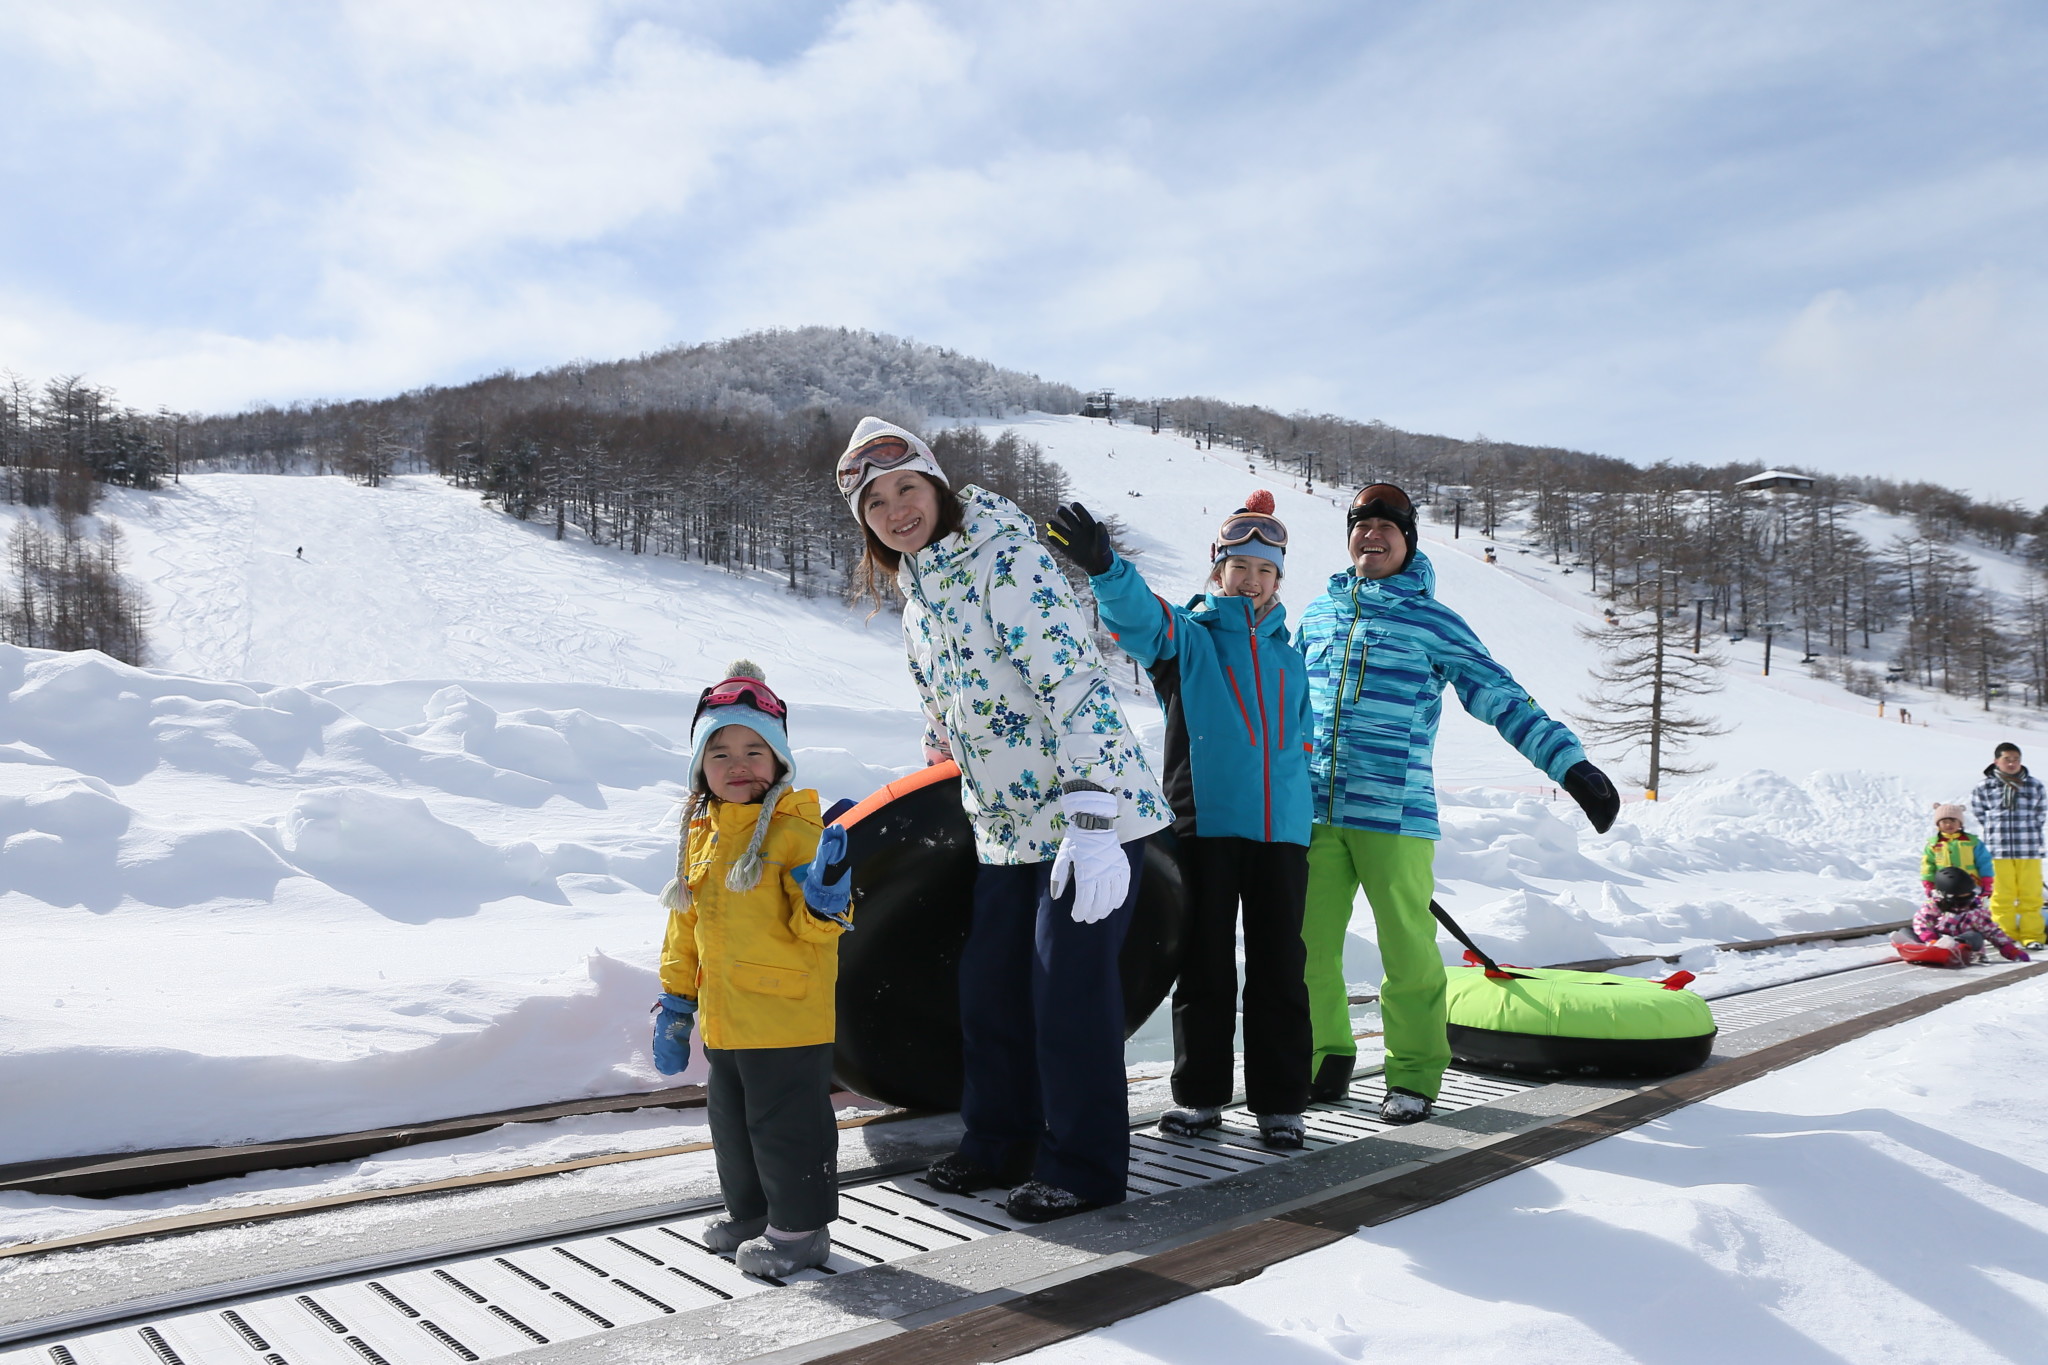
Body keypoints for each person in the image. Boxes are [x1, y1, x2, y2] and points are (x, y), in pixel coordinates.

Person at [837, 416, 1169, 1223]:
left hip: (1086, 815)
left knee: (1067, 996)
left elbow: (1075, 685)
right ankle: (998, 1141)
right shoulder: (920, 596)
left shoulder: (1006, 558)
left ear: (936, 485)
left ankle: (1085, 1164)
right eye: (875, 503)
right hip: (1002, 827)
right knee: (988, 991)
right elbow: (943, 715)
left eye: (906, 488)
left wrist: (1092, 821)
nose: (894, 509)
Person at [1298, 483, 1620, 1123]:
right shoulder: (1315, 617)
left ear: (1408, 541)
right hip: (1311, 812)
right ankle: (1322, 1063)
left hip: (1394, 815)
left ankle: (1413, 1077)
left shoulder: (1434, 622)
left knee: (1408, 953)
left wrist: (1570, 763)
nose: (1373, 535)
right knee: (1305, 951)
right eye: (1362, 525)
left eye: (1388, 527)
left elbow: (1498, 693)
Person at [1047, 490, 1312, 1150]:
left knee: (1282, 966)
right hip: (1207, 825)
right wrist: (1106, 567)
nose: (1251, 581)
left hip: (1283, 835)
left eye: (1265, 570)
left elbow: (1303, 741)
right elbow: (1139, 620)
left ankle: (1281, 1102)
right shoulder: (1188, 642)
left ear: (1278, 578)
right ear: (1217, 571)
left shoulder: (1291, 656)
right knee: (1206, 964)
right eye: (1239, 567)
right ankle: (1200, 1096)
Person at [649, 662, 853, 1277]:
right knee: (735, 1128)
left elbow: (819, 930)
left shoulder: (798, 831)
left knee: (786, 1129)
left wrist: (826, 898)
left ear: (780, 760)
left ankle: (799, 1232)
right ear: (699, 768)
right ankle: (752, 1214)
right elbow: (684, 925)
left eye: (753, 750)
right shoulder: (703, 835)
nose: (738, 764)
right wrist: (678, 1002)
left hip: (786, 1018)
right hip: (726, 1020)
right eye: (720, 753)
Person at [1971, 743, 2046, 948]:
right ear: (1997, 761)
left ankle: (2033, 936)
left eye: (2016, 759)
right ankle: (2005, 936)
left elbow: (2040, 814)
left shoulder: (2034, 786)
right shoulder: (1984, 787)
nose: (2012, 763)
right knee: (2002, 896)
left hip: (2028, 849)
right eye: (2007, 759)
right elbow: (1980, 814)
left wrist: (2030, 831)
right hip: (1998, 850)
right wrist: (1996, 830)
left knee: (2031, 895)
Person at [1907, 866, 2029, 963]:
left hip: (1962, 947)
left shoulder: (1975, 910)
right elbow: (1921, 921)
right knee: (1906, 932)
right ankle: (1918, 950)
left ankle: (1957, 950)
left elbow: (1991, 931)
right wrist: (1931, 939)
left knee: (1975, 936)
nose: (1964, 902)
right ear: (1945, 895)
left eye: (1967, 897)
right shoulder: (1934, 906)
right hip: (1934, 943)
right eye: (1960, 898)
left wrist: (2009, 949)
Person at [1920, 801, 1993, 903]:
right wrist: (1928, 883)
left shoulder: (1972, 842)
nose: (1949, 824)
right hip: (1944, 886)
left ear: (1960, 823)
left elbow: (1985, 862)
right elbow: (1928, 865)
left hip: (1971, 885)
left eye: (1953, 820)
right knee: (1946, 910)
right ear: (1938, 824)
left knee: (1972, 911)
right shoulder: (1934, 844)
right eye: (1944, 821)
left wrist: (1987, 880)